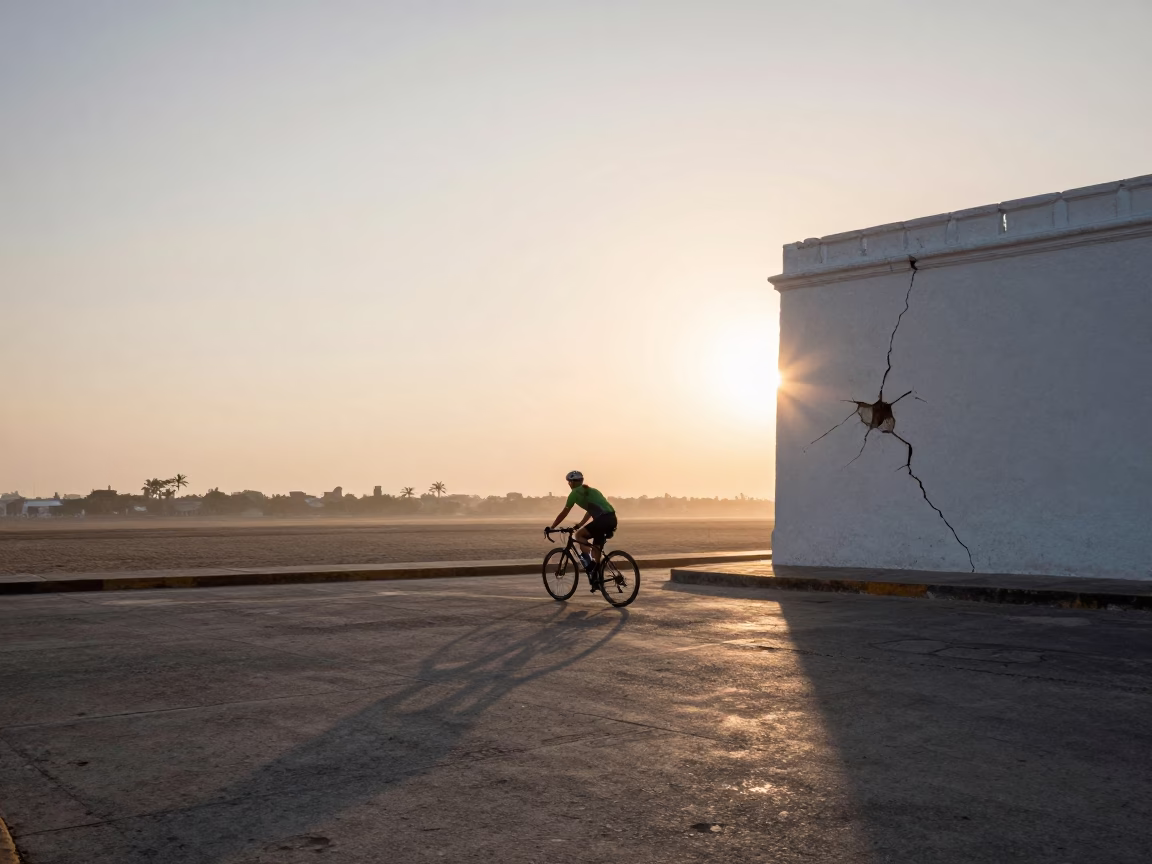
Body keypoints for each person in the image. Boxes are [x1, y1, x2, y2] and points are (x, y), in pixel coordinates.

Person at [547, 470, 617, 590]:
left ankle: (590, 566)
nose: (569, 484)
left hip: (602, 521)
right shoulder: (593, 491)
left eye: (569, 482)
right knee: (596, 550)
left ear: (572, 483)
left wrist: (552, 527)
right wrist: (580, 524)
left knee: (580, 536)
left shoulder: (574, 493)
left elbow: (565, 512)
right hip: (611, 519)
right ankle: (597, 577)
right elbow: (591, 511)